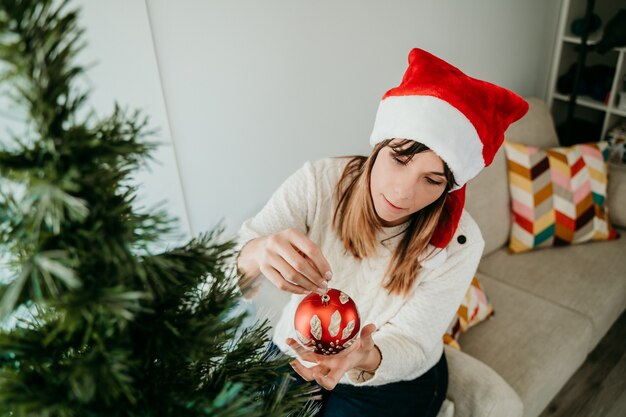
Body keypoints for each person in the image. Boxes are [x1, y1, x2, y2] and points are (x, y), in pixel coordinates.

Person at [234, 48, 529, 417]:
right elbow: (225, 267)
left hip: (392, 376)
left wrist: (364, 355)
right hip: (299, 349)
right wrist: (256, 252)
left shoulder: (460, 243)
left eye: (432, 179)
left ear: (447, 188)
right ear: (378, 146)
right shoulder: (319, 182)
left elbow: (414, 343)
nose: (403, 192)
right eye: (399, 159)